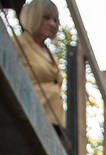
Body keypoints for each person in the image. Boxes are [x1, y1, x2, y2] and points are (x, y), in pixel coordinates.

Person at [14, 2, 65, 137]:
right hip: (26, 117)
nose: (53, 24)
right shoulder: (17, 44)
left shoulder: (51, 54)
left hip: (52, 123)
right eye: (46, 18)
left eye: (55, 20)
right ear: (33, 17)